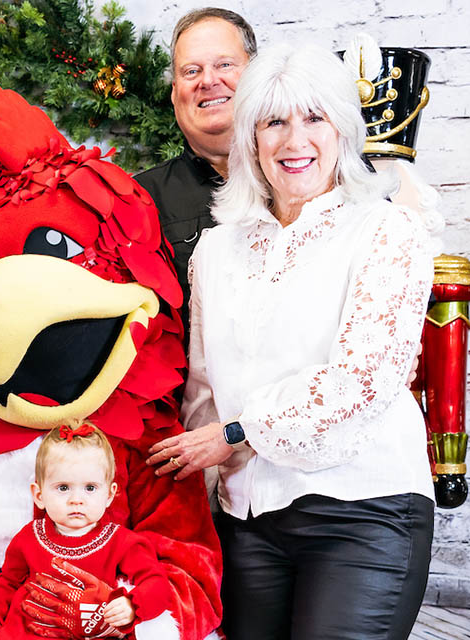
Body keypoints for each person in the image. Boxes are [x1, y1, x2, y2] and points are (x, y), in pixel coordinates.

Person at [147, 44, 439, 639]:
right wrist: (190, 508)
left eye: (314, 118)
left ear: (342, 128)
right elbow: (204, 391)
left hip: (363, 509)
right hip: (247, 516)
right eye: (273, 121)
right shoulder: (217, 249)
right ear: (250, 138)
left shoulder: (386, 229)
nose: (293, 139)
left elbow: (363, 380)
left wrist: (236, 434)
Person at [0, 425, 171, 640]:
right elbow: (8, 582)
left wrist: (132, 605)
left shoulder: (123, 543)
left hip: (90, 632)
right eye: (63, 487)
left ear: (109, 495)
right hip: (29, 630)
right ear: (39, 495)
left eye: (90, 488)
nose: (76, 499)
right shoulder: (28, 537)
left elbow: (158, 584)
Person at [134, 8, 256, 313]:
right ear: (175, 93)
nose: (208, 80)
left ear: (259, 74)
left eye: (224, 64)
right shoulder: (140, 199)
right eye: (191, 71)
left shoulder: (310, 172)